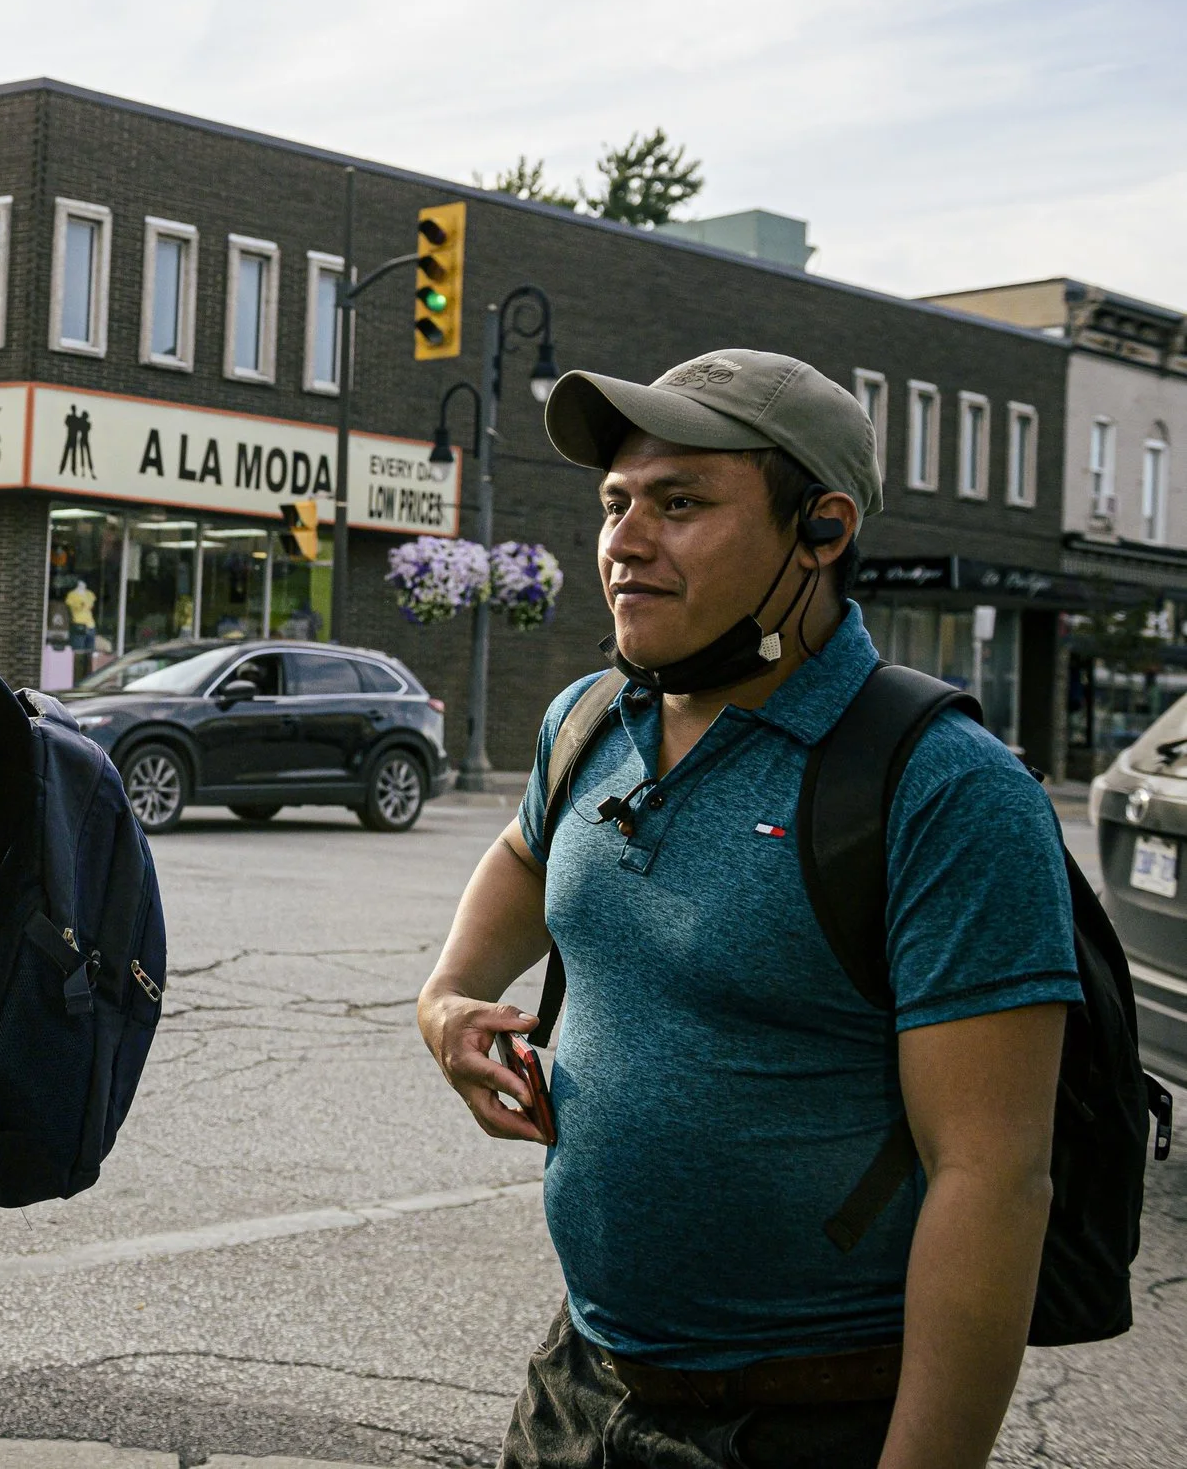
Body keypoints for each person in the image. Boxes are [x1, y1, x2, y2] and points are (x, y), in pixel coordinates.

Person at [415, 349, 1078, 1469]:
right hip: (580, 1381)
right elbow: (527, 854)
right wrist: (446, 999)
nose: (625, 543)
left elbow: (992, 1177)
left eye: (680, 505)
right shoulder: (588, 717)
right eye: (616, 503)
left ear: (819, 530)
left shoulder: (946, 787)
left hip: (803, 1417)